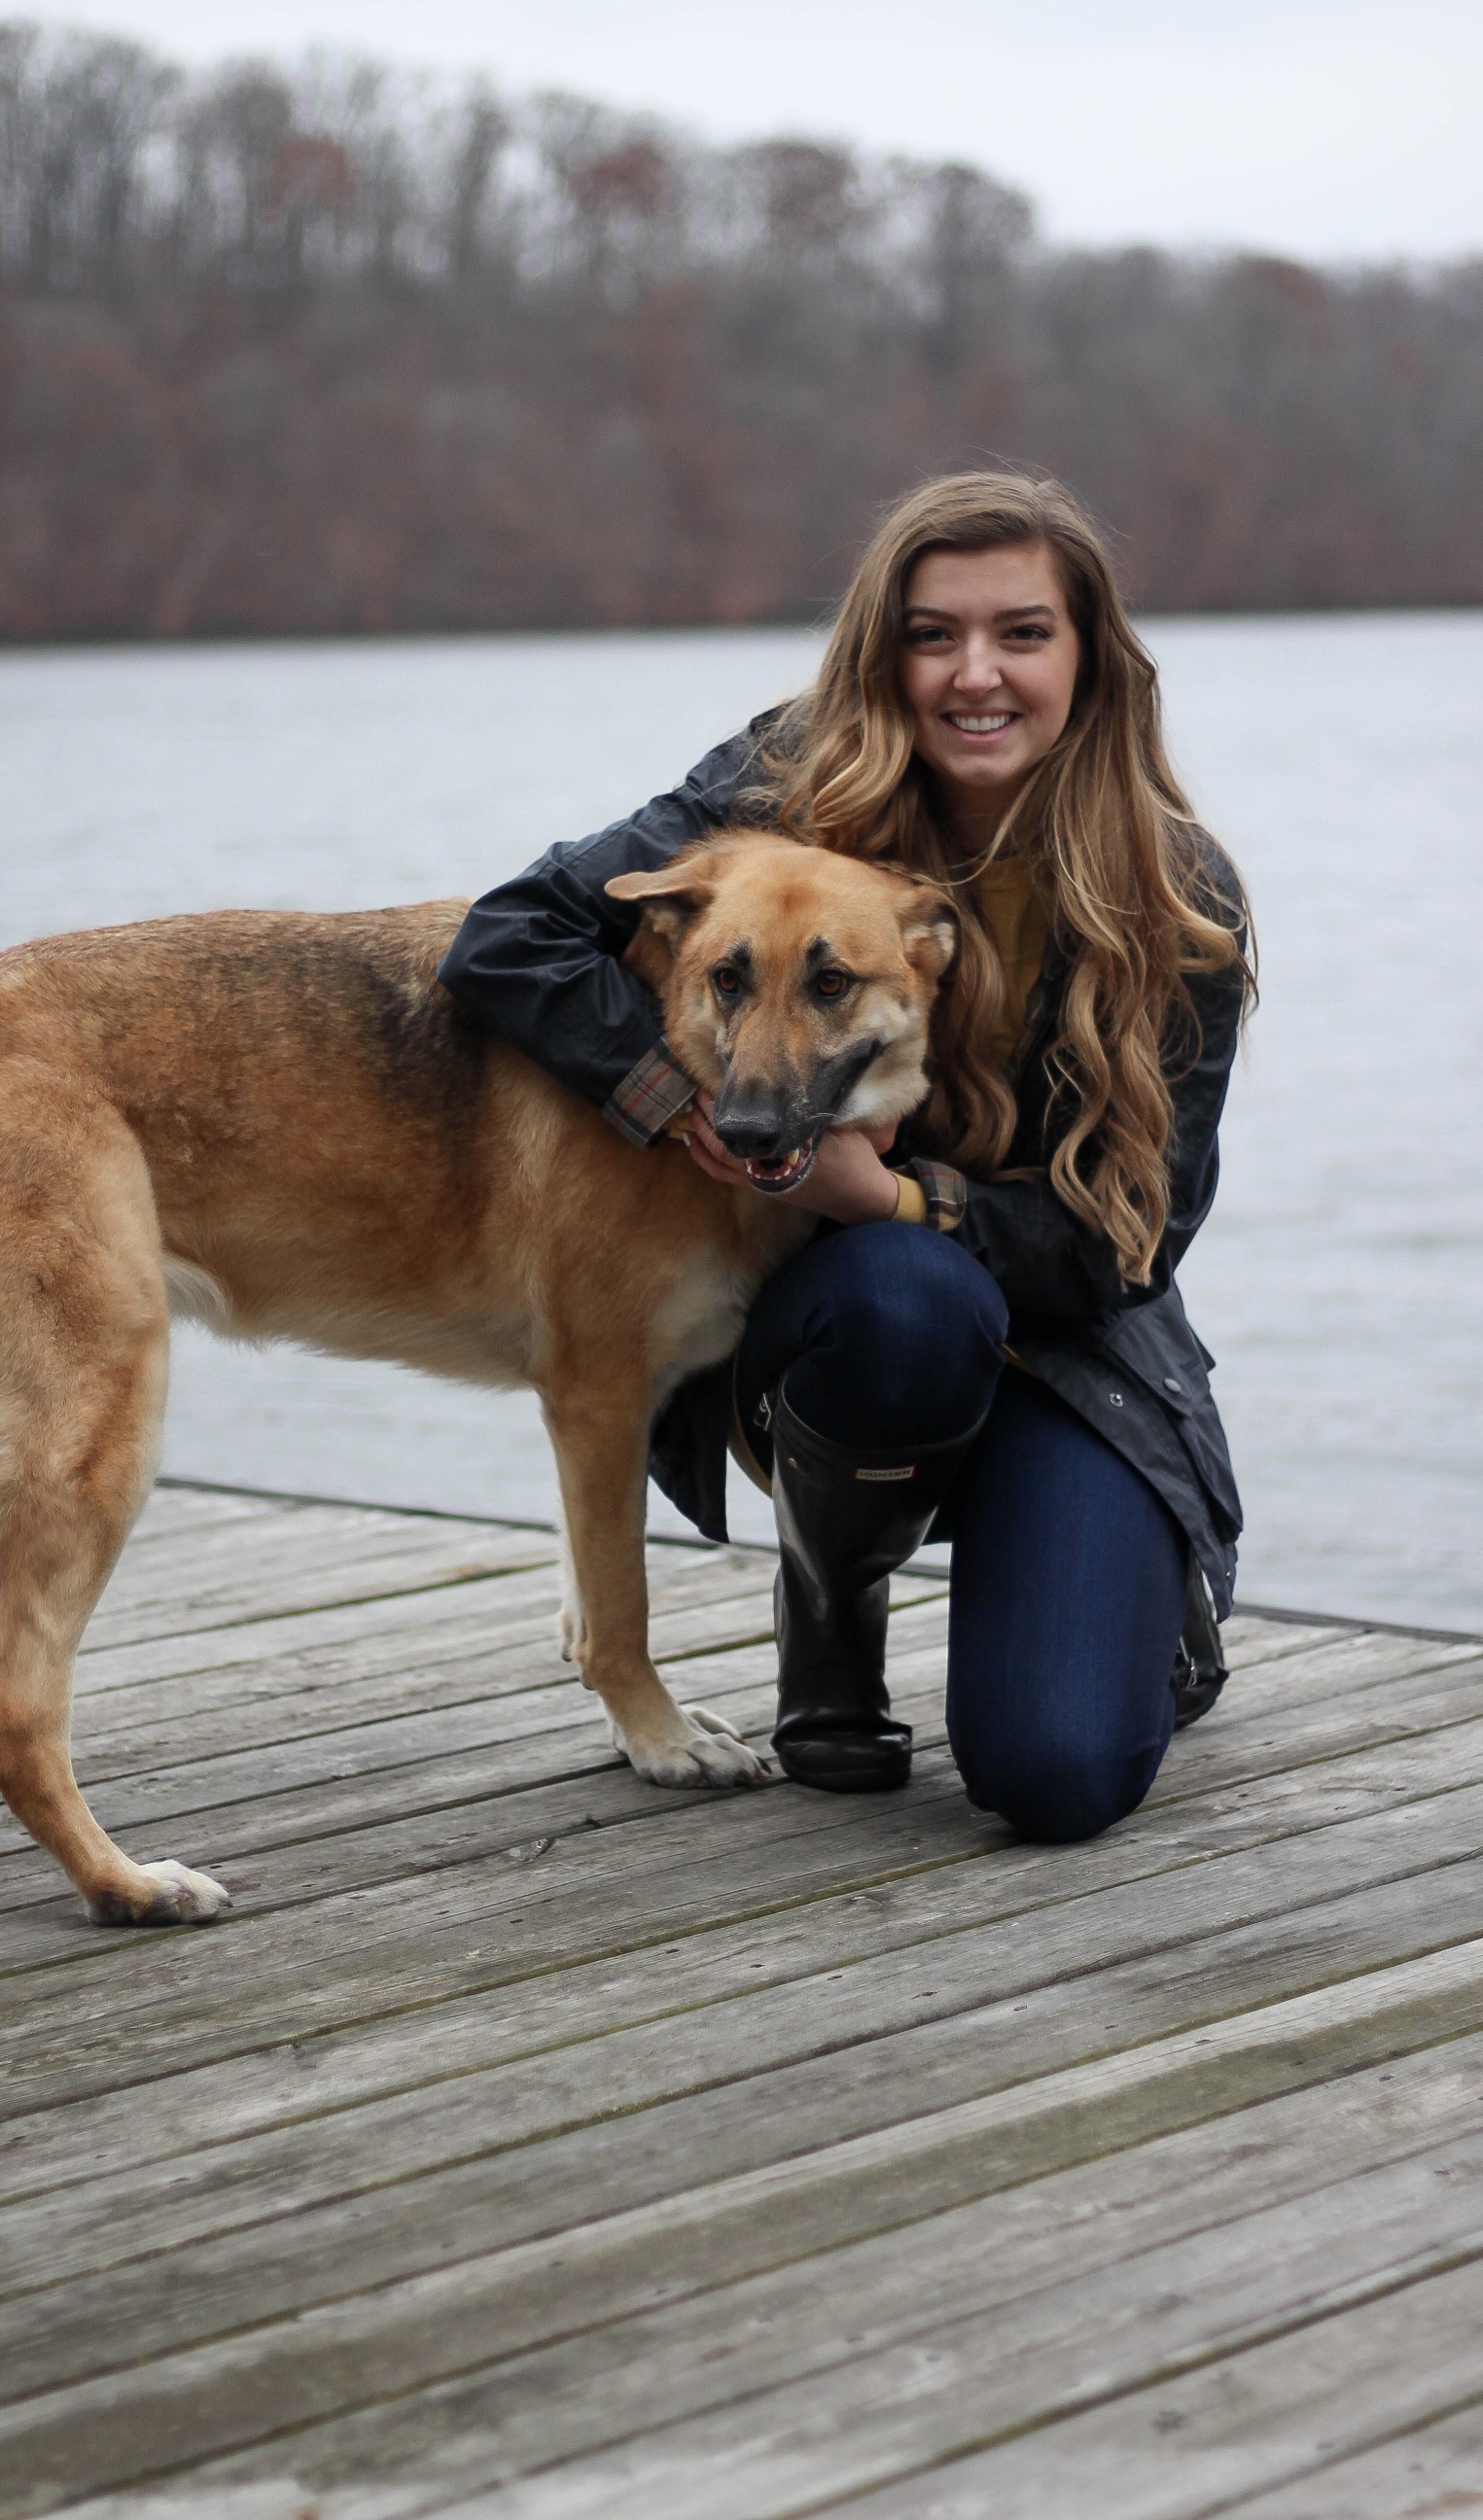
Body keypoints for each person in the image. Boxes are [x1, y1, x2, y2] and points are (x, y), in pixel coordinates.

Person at [442, 471, 1253, 1842]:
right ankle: (831, 1623)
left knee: (1056, 1772)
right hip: (846, 1339)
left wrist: (892, 1191)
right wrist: (690, 1109)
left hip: (1070, 1351)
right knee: (900, 1293)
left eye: (1023, 634)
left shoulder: (1177, 897)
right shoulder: (781, 784)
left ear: (1091, 658)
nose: (973, 674)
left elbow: (1128, 1249)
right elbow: (509, 937)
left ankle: (1137, 1580)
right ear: (885, 652)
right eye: (933, 634)